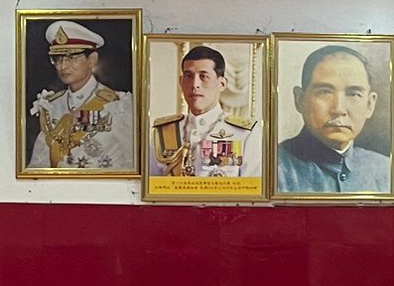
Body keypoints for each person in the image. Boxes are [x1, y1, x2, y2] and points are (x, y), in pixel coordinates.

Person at [273, 43, 392, 195]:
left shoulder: (386, 170)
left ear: (370, 104)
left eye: (353, 94)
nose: (338, 109)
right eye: (325, 92)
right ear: (300, 100)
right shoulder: (271, 167)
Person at [27, 19, 136, 171]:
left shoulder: (118, 105)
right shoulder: (50, 106)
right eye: (57, 59)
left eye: (71, 58)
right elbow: (38, 167)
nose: (63, 66)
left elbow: (133, 163)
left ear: (92, 60)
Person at [149, 44, 263, 178]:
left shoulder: (245, 133)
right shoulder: (163, 132)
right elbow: (151, 185)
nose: (194, 84)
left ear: (222, 84)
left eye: (203, 76)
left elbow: (253, 188)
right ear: (181, 82)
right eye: (188, 76)